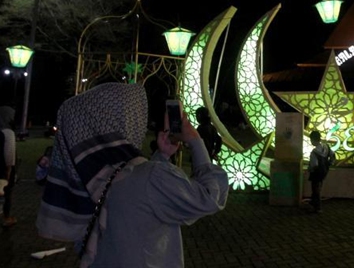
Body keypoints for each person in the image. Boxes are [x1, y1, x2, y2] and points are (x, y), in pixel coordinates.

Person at [36, 83, 229, 267]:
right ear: (121, 122)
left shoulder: (91, 175)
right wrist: (195, 141)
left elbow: (138, 195)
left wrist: (161, 156)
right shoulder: (151, 177)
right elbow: (210, 196)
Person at [308, 130, 335, 213]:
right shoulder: (326, 147)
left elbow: (314, 165)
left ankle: (318, 207)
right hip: (324, 171)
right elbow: (332, 155)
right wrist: (329, 164)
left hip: (316, 173)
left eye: (311, 140)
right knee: (319, 187)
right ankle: (313, 203)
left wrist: (310, 169)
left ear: (313, 140)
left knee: (315, 189)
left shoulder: (314, 152)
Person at [0, 105, 17, 227]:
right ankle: (6, 217)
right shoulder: (8, 132)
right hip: (3, 168)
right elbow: (9, 153)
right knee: (6, 193)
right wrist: (9, 171)